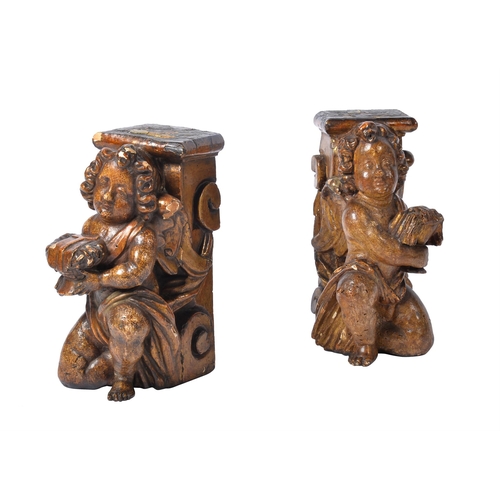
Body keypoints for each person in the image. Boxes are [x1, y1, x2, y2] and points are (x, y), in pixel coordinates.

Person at [48, 145, 182, 400]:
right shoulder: (92, 225)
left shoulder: (141, 234)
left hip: (132, 303)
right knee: (70, 374)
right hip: (98, 311)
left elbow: (136, 272)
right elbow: (91, 256)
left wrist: (98, 280)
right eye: (103, 184)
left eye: (121, 191)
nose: (108, 196)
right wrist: (71, 266)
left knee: (128, 325)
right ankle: (119, 355)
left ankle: (124, 376)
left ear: (139, 199)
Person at [312, 121, 442, 366]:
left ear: (398, 169)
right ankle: (365, 342)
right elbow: (391, 252)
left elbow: (404, 243)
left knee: (421, 341)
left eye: (386, 165)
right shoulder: (355, 213)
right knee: (353, 289)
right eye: (368, 166)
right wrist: (421, 255)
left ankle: (366, 330)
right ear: (353, 172)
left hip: (394, 286)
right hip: (364, 279)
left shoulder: (397, 204)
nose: (379, 173)